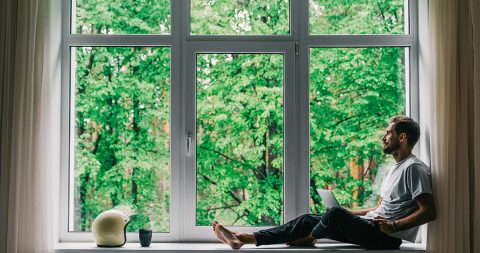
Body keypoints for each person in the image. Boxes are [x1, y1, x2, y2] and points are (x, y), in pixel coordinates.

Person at [212, 116, 436, 250]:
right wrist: (349, 214)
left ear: (403, 137)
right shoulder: (392, 169)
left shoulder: (413, 168)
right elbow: (378, 209)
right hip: (372, 226)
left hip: (387, 238)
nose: (383, 137)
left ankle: (309, 238)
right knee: (309, 218)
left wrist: (394, 226)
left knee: (333, 215)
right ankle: (241, 239)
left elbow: (428, 212)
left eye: (388, 133)